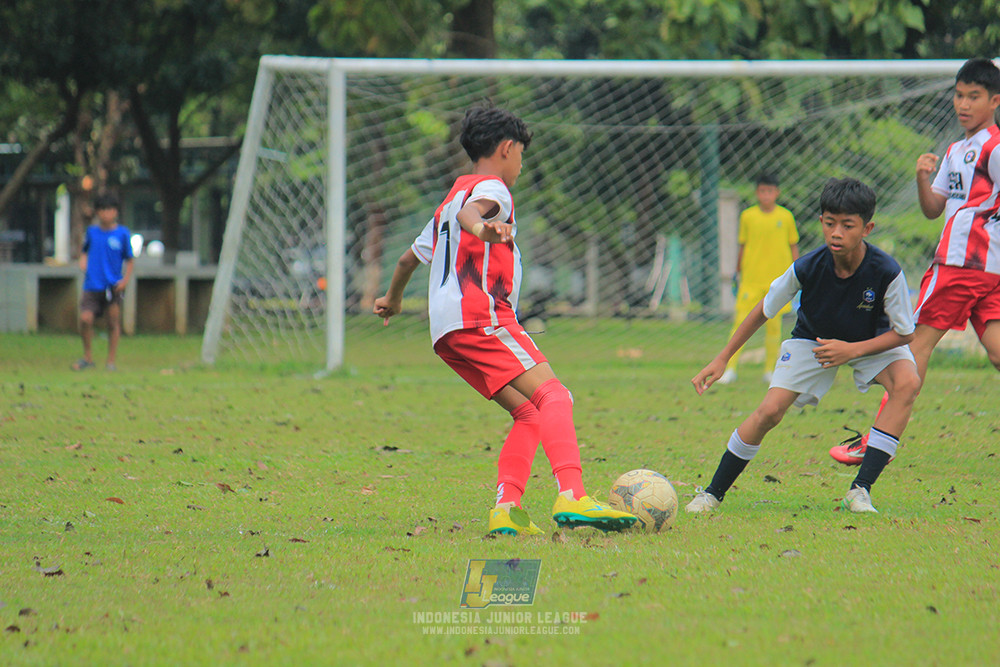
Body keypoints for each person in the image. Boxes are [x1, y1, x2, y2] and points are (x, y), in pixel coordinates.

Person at [373, 105, 636, 535]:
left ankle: (507, 509)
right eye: (521, 156)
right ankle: (573, 493)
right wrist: (483, 230)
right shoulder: (493, 189)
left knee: (530, 415)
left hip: (446, 331)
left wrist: (392, 298)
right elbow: (471, 216)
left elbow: (407, 259)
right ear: (507, 148)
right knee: (556, 396)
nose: (520, 167)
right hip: (482, 316)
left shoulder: (449, 197)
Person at [687, 178, 921, 514]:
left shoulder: (886, 271)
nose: (836, 233)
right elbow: (763, 309)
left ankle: (860, 491)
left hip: (870, 341)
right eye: (829, 223)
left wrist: (852, 350)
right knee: (769, 411)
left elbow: (905, 332)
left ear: (867, 227)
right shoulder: (807, 266)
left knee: (908, 382)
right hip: (812, 340)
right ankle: (711, 493)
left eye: (847, 225)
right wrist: (723, 358)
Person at [830, 57, 1000, 465]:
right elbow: (932, 209)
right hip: (986, 270)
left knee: (912, 346)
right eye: (959, 95)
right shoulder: (956, 149)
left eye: (974, 97)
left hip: (962, 264)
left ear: (995, 101)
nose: (964, 104)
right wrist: (924, 178)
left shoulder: (994, 147)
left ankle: (877, 440)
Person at [717, 173, 800, 385]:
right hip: (751, 281)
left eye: (770, 191)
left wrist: (799, 273)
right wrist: (737, 272)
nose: (766, 195)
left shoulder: (786, 217)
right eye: (762, 191)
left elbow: (793, 246)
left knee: (774, 328)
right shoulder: (748, 216)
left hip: (777, 282)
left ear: (777, 192)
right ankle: (730, 369)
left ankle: (770, 371)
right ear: (757, 193)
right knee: (739, 324)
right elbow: (742, 246)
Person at [72, 193, 134, 371]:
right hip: (92, 284)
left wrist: (125, 280)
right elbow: (84, 251)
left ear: (115, 212)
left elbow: (130, 259)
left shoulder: (122, 233)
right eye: (103, 210)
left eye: (110, 210)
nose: (106, 214)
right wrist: (83, 262)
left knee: (113, 322)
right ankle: (88, 357)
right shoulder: (92, 232)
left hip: (113, 286)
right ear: (98, 212)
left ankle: (111, 361)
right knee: (85, 318)